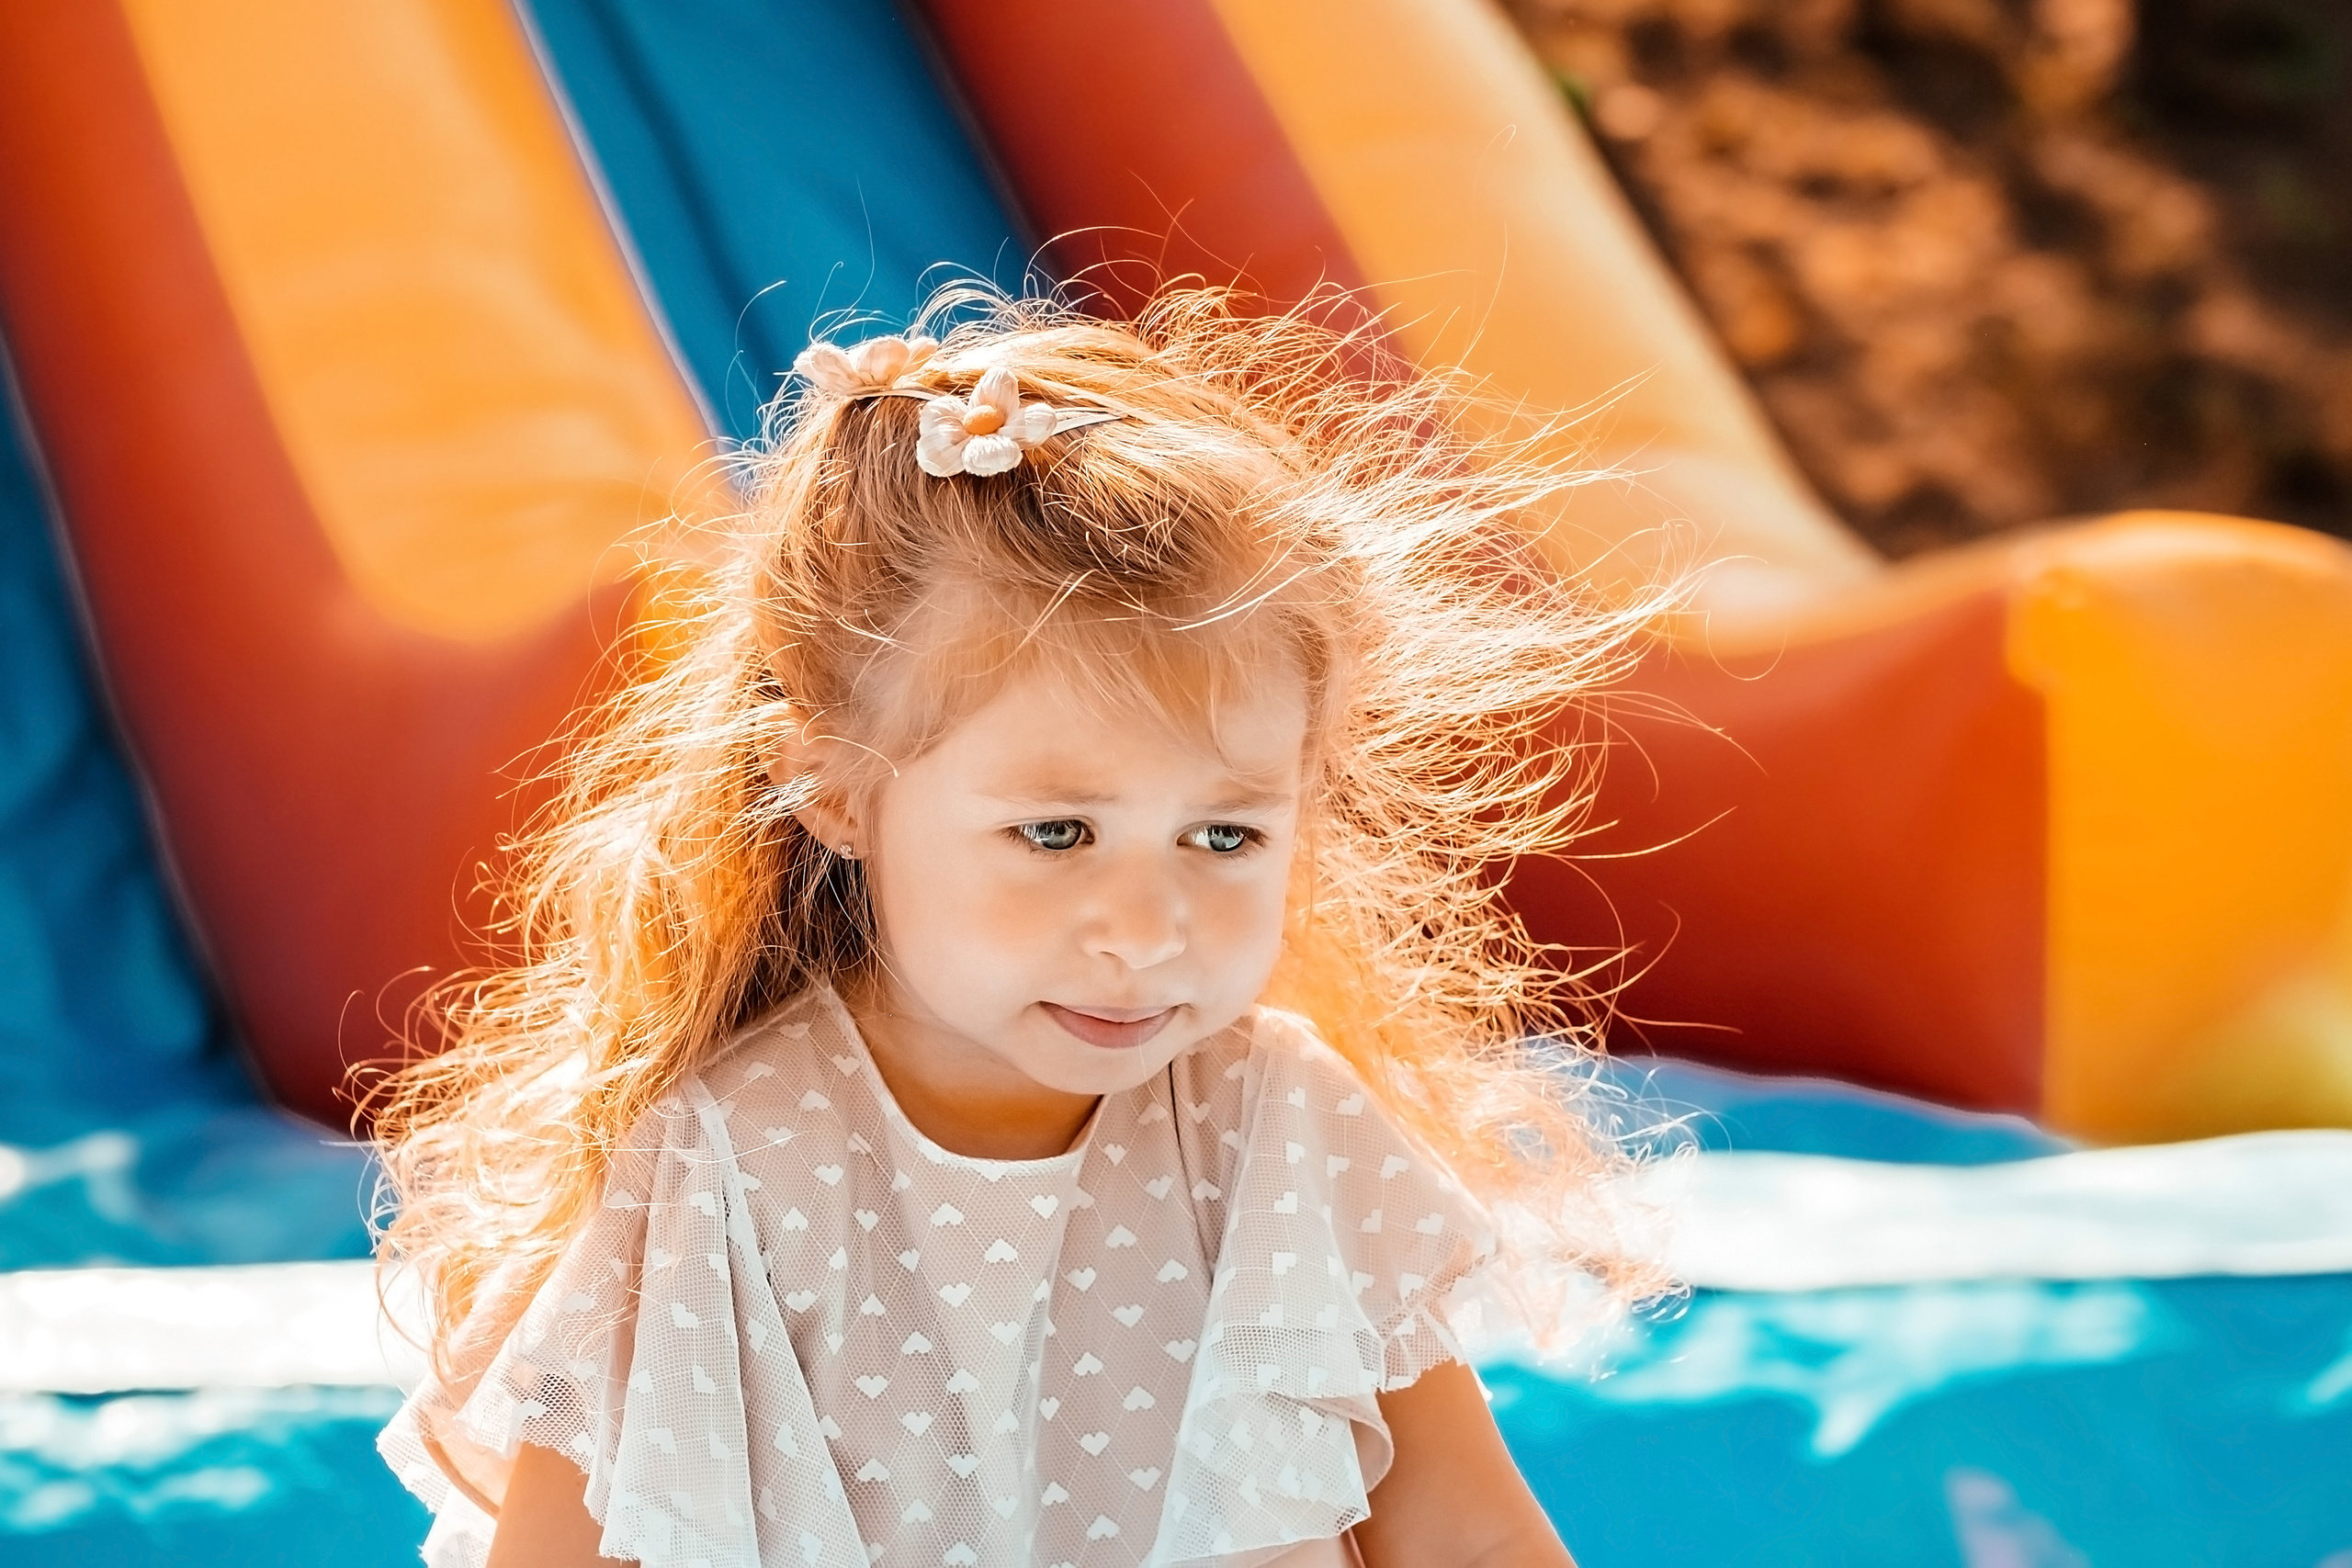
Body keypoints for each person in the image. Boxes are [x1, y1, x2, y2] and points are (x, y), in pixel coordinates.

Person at [371, 288, 1659, 1568]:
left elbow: (1473, 1542)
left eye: (1224, 837)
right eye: (1055, 834)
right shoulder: (732, 1164)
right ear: (836, 790)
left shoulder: (1272, 1128)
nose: (1145, 930)